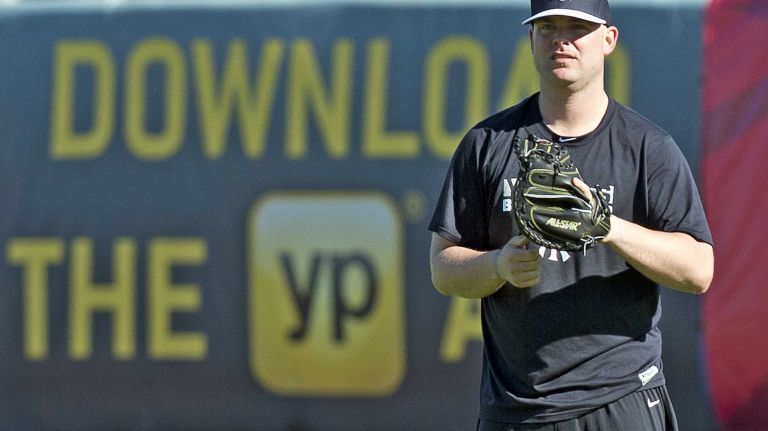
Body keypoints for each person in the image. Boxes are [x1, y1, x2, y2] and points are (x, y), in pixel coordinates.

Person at [428, 0, 714, 429]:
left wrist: (607, 226)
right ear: (530, 39)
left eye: (577, 27)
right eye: (548, 27)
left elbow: (699, 269)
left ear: (608, 40)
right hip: (518, 409)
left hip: (621, 398)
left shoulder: (647, 148)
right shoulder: (487, 143)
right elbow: (443, 268)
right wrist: (498, 264)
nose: (561, 39)